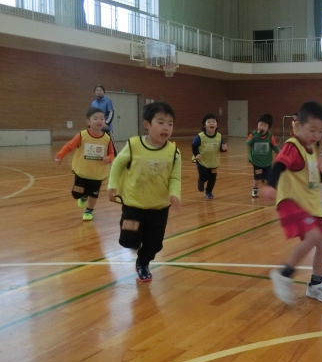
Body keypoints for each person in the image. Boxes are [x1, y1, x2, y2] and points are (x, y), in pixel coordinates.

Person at [262, 101, 322, 305]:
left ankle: (315, 285)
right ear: (297, 126)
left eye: (321, 131)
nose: (316, 135)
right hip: (292, 201)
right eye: (312, 130)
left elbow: (311, 176)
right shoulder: (293, 145)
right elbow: (279, 164)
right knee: (314, 236)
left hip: (309, 204)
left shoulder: (310, 150)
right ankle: (284, 274)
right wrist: (271, 185)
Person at [107, 102, 181, 282]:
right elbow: (117, 164)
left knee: (155, 244)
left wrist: (174, 194)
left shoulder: (174, 152)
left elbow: (175, 177)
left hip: (159, 206)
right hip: (134, 204)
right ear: (147, 125)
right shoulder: (134, 145)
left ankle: (143, 262)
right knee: (128, 241)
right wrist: (112, 185)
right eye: (161, 122)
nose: (166, 128)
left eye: (170, 124)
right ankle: (134, 235)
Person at [54, 107, 115, 221]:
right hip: (82, 171)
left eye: (102, 118)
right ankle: (83, 195)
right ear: (88, 122)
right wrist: (60, 155)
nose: (99, 121)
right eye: (95, 118)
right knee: (76, 194)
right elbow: (69, 146)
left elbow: (112, 154)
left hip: (97, 174)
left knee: (94, 194)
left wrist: (109, 158)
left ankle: (89, 210)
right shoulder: (82, 135)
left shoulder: (107, 138)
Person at [192, 113, 228, 200]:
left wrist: (224, 149)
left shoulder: (219, 136)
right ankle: (201, 181)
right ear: (204, 124)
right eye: (209, 122)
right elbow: (194, 145)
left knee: (212, 180)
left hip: (213, 162)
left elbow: (220, 149)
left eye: (214, 122)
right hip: (202, 162)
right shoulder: (200, 136)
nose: (211, 123)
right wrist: (196, 154)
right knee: (205, 177)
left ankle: (208, 192)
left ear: (216, 125)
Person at [247, 113, 280, 198]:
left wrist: (281, 154)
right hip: (257, 162)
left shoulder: (270, 136)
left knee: (268, 177)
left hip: (267, 162)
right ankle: (255, 189)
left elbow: (275, 147)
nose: (262, 127)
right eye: (260, 124)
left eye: (264, 125)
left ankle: (270, 190)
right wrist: (257, 135)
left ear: (268, 127)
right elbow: (249, 143)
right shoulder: (253, 134)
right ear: (257, 125)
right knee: (257, 177)